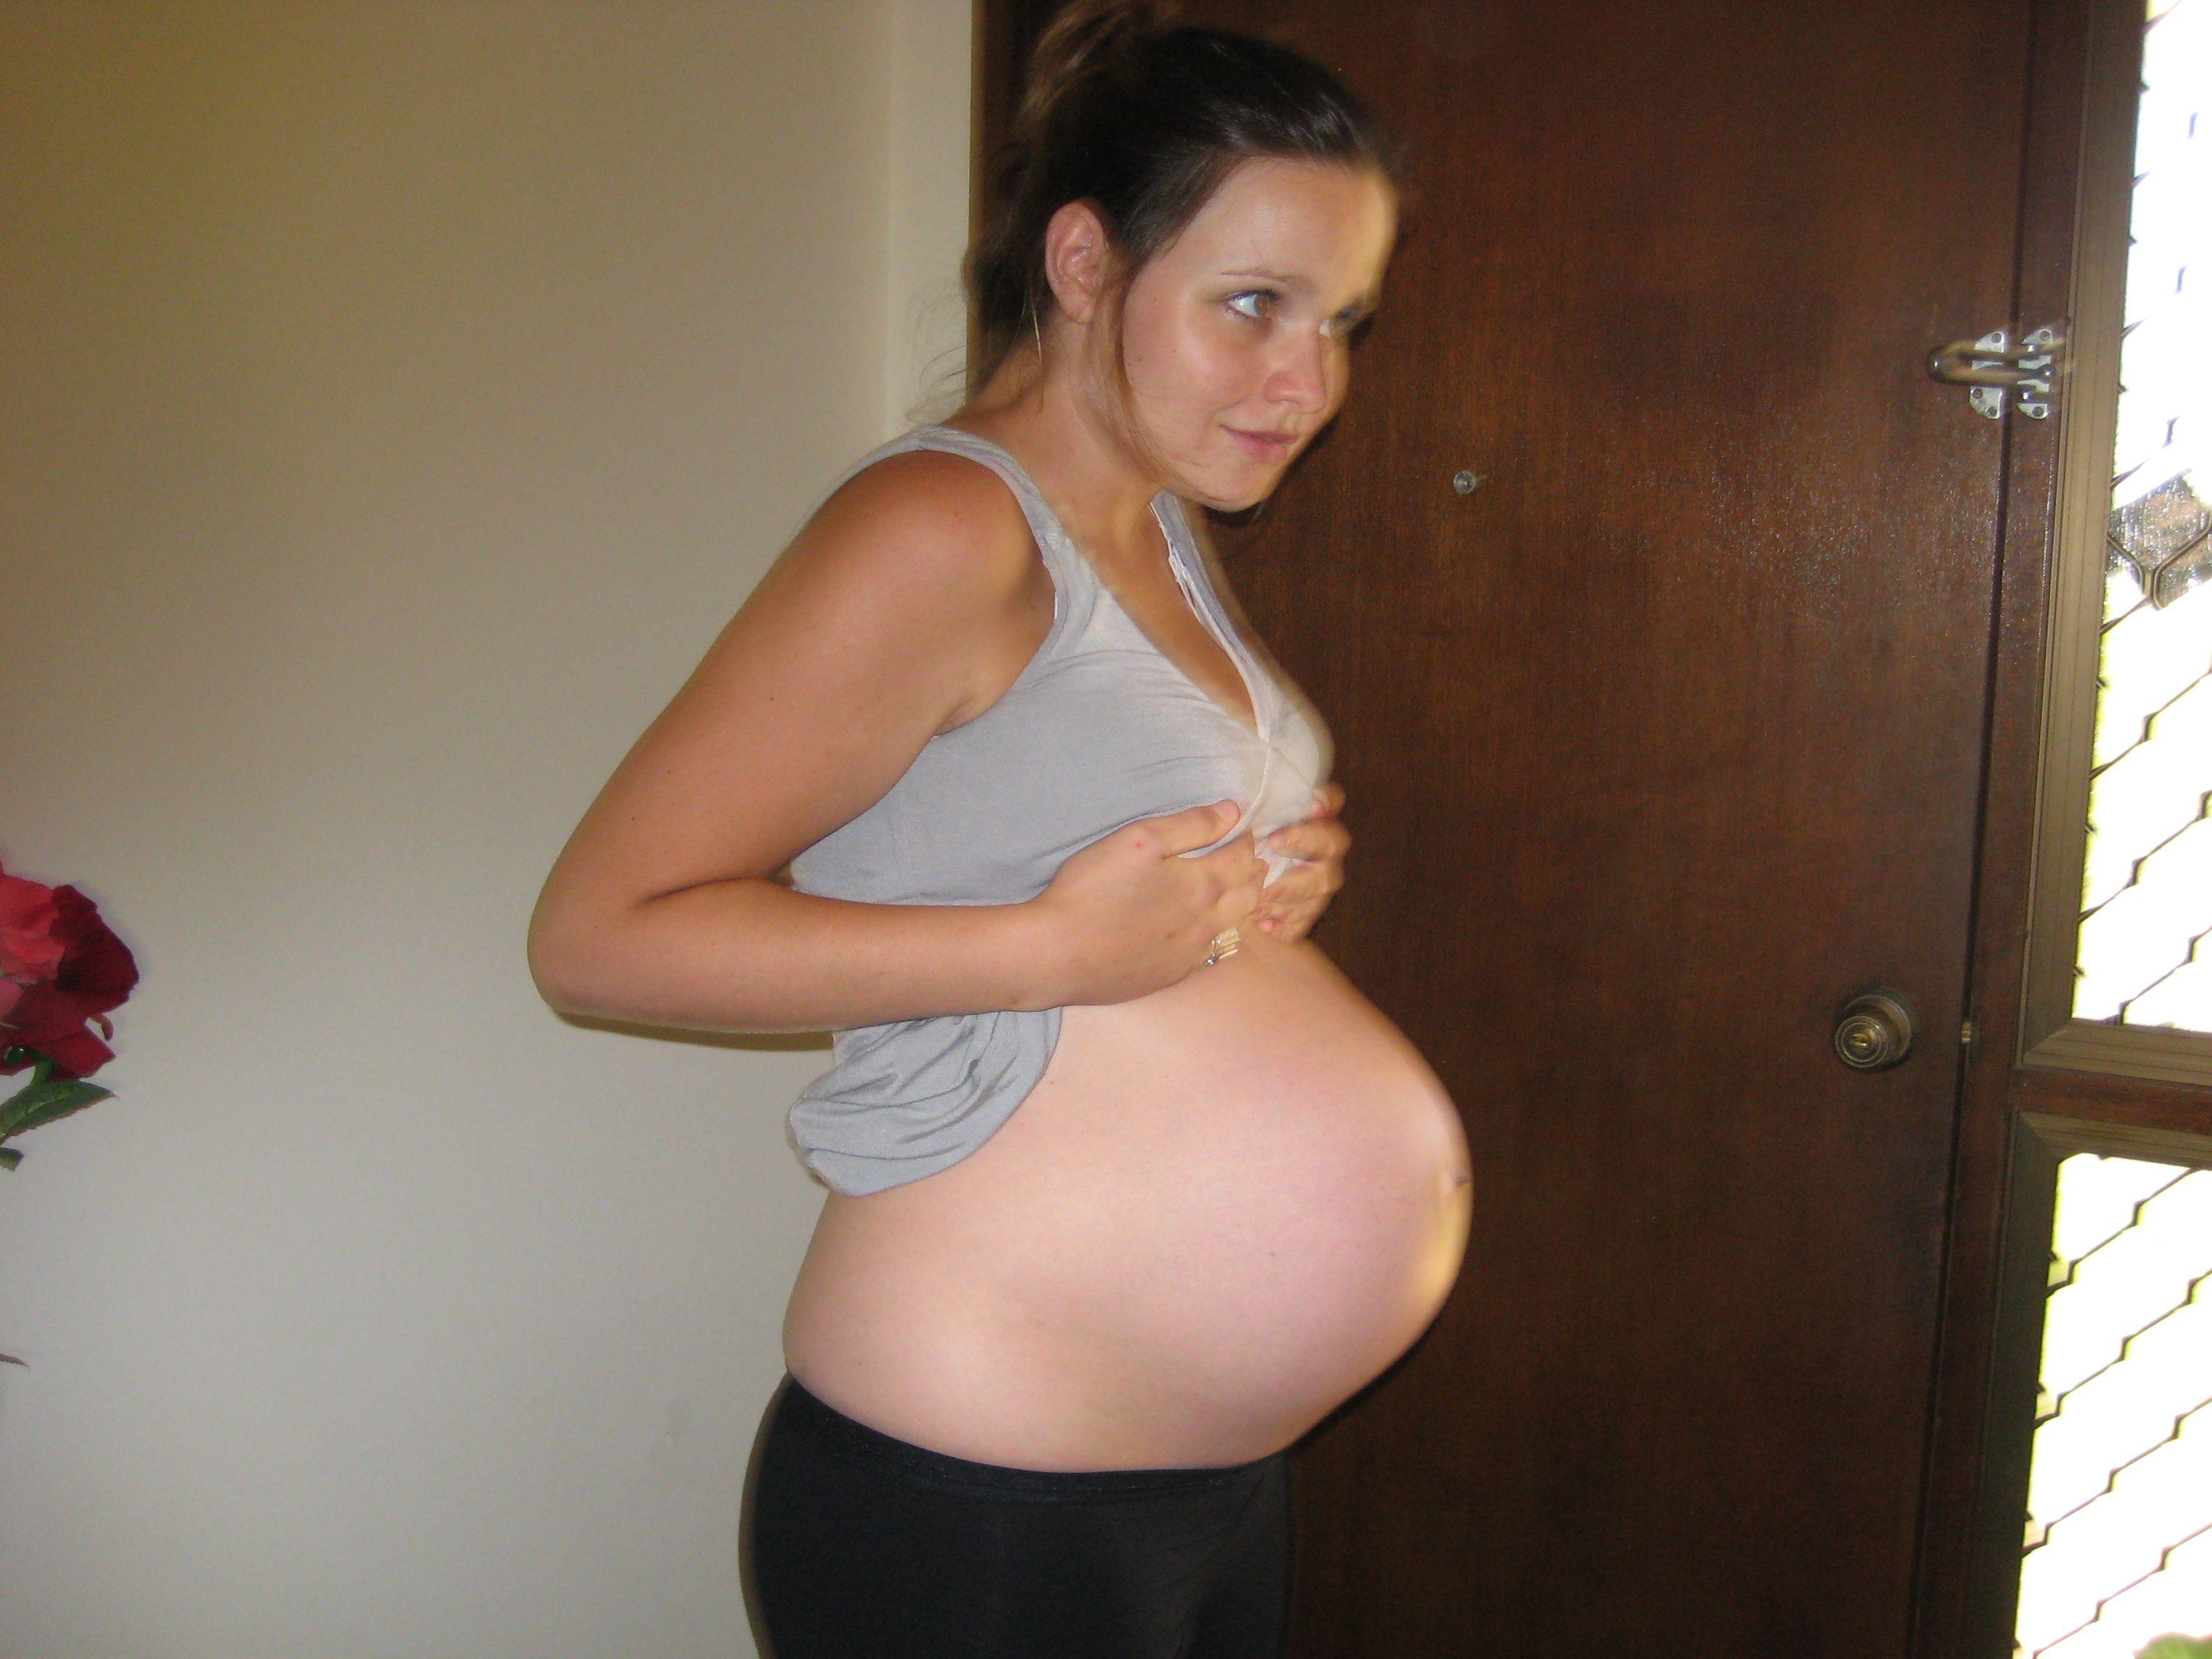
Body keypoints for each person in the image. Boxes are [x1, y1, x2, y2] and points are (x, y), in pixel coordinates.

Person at [526, 2, 1474, 1653]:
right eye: (1254, 304)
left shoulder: (1159, 520)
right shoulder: (942, 525)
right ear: (1087, 260)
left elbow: (1042, 846)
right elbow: (601, 937)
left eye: (1342, 321)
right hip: (985, 1485)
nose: (1308, 381)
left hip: (1194, 1478)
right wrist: (1052, 948)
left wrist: (1254, 889)